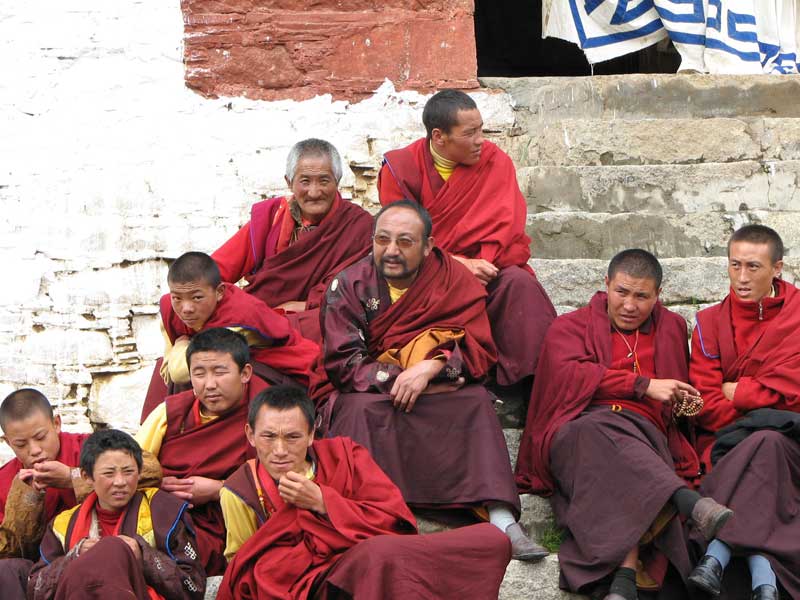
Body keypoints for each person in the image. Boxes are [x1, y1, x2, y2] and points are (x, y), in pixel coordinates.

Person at [315, 199, 546, 561]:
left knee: (474, 402)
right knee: (355, 411)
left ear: (428, 245)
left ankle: (501, 519)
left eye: (405, 242)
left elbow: (479, 349)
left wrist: (434, 367)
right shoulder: (347, 284)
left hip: (436, 383)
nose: (391, 251)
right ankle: (368, 515)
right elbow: (343, 363)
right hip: (373, 389)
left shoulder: (452, 277)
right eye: (382, 239)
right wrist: (402, 377)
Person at [515, 249, 734, 600]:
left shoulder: (672, 328)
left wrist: (682, 402)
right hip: (575, 429)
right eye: (622, 292)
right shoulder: (569, 326)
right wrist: (643, 385)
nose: (630, 305)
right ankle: (687, 501)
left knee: (618, 447)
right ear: (606, 285)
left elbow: (674, 398)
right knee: (596, 431)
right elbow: (566, 377)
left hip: (645, 435)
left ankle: (624, 576)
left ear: (657, 296)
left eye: (642, 296)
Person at [217, 385, 511, 600]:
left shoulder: (345, 456)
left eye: (292, 437)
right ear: (250, 435)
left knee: (489, 540)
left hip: (367, 563)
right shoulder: (240, 490)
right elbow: (247, 567)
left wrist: (323, 502)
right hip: (312, 587)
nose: (279, 450)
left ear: (311, 435)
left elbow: (393, 520)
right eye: (268, 436)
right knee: (379, 556)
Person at [378, 89, 556, 387]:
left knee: (521, 286)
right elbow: (398, 242)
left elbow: (506, 228)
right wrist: (456, 265)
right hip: (427, 276)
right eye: (470, 133)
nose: (480, 140)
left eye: (481, 130)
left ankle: (531, 384)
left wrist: (479, 264)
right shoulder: (401, 170)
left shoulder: (495, 162)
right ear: (439, 137)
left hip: (488, 268)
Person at [688, 225, 800, 600]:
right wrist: (762, 408)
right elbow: (704, 398)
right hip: (726, 441)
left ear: (778, 268)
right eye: (734, 265)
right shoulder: (709, 324)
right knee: (763, 441)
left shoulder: (798, 317)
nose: (741, 277)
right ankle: (763, 577)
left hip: (792, 442)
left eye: (753, 266)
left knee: (769, 441)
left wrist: (741, 391)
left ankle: (717, 552)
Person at [0, 389, 160, 600]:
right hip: (47, 570)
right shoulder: (7, 479)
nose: (35, 450)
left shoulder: (89, 448)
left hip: (108, 553)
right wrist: (28, 498)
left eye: (41, 437)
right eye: (21, 444)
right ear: (7, 441)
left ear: (56, 424)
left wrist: (72, 477)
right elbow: (9, 549)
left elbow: (150, 470)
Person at [212, 138, 374, 342]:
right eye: (304, 181)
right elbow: (215, 271)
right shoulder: (272, 218)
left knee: (333, 322)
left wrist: (305, 306)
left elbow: (360, 292)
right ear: (289, 182)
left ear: (338, 181)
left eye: (324, 181)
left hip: (314, 323)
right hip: (261, 318)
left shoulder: (358, 226)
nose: (314, 192)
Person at [136, 327, 267, 575]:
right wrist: (160, 485)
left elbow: (282, 476)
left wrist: (220, 489)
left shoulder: (266, 413)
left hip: (230, 524)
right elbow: (131, 464)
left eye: (220, 372)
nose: (210, 385)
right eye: (199, 373)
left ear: (245, 373)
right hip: (168, 511)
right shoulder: (172, 412)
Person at [140, 250, 319, 421]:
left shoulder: (238, 317)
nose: (186, 309)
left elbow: (180, 371)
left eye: (196, 298)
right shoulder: (169, 308)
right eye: (177, 298)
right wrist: (180, 346)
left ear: (219, 293)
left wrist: (181, 343)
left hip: (282, 367)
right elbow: (167, 369)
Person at [28, 429, 205, 600]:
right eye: (108, 473)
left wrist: (143, 556)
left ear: (140, 471)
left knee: (113, 549)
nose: (120, 482)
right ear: (86, 476)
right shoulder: (63, 525)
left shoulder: (164, 512)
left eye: (128, 472)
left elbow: (194, 587)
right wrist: (73, 557)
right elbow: (35, 588)